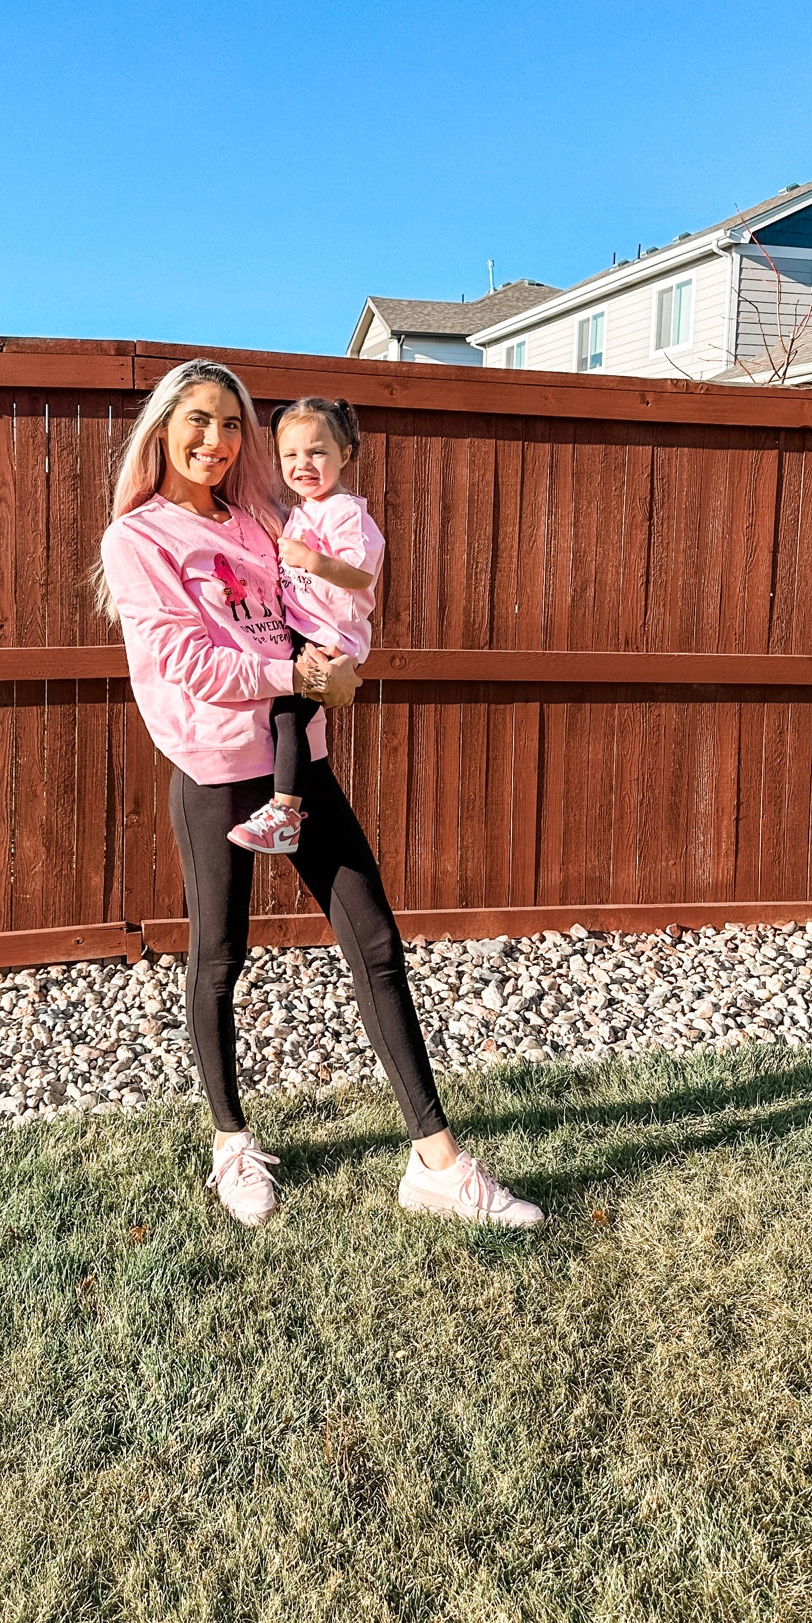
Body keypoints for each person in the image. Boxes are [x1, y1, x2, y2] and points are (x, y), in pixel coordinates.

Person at [95, 358, 543, 1233]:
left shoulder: (262, 519)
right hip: (216, 768)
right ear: (163, 427)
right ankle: (231, 1143)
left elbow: (333, 597)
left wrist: (337, 667)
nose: (216, 440)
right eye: (198, 420)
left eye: (232, 424)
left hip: (301, 761)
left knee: (375, 941)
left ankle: (437, 1163)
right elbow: (186, 662)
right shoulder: (138, 537)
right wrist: (298, 676)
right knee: (218, 957)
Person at [226, 396, 382, 856]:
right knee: (285, 717)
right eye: (290, 454)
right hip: (302, 632)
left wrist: (312, 560)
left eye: (317, 452)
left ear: (345, 454)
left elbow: (362, 575)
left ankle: (285, 814)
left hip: (330, 637)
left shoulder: (346, 512)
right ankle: (283, 809)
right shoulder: (302, 511)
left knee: (289, 717)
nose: (303, 464)